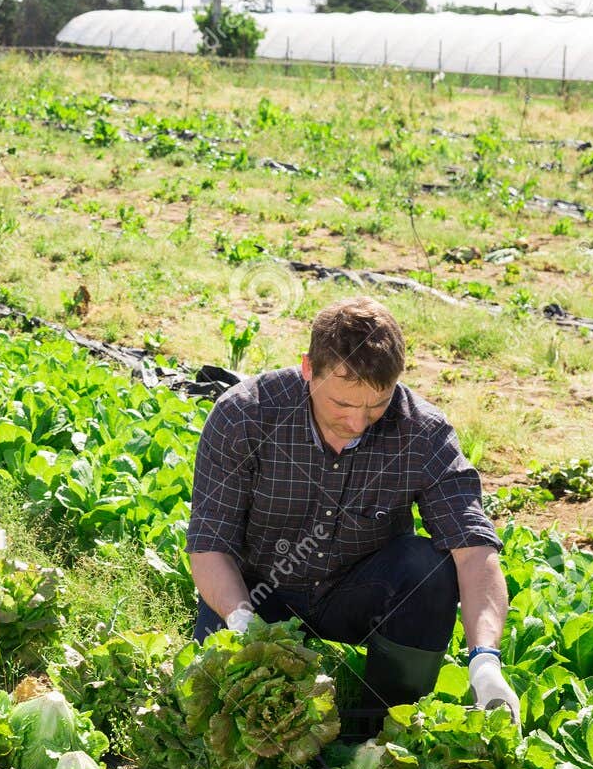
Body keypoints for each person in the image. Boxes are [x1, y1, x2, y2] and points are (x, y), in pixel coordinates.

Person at [186, 297, 521, 719]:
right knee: (215, 715)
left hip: (354, 593)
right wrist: (245, 627)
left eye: (376, 405)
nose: (358, 423)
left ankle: (381, 722)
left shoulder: (422, 431)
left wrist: (485, 660)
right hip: (256, 593)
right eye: (342, 405)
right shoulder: (245, 416)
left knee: (428, 567)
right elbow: (209, 545)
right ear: (309, 369)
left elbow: (474, 552)